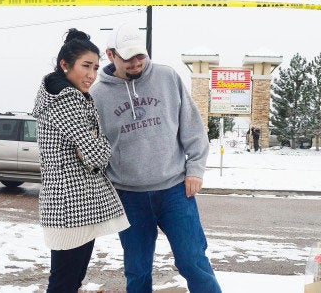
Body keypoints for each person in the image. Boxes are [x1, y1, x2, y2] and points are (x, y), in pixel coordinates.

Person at [89, 23, 222, 293]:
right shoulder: (97, 95)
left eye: (140, 55)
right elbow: (94, 147)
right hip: (128, 196)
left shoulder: (167, 77)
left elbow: (193, 128)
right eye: (128, 58)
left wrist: (195, 169)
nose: (137, 63)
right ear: (110, 55)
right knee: (137, 270)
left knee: (193, 261)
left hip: (174, 191)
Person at [32, 28, 129, 292]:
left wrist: (94, 146)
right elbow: (96, 155)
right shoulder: (66, 100)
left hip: (75, 204)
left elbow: (91, 152)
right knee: (64, 282)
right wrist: (100, 144)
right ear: (65, 65)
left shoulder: (68, 96)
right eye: (86, 66)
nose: (92, 75)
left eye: (96, 68)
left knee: (71, 280)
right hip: (69, 206)